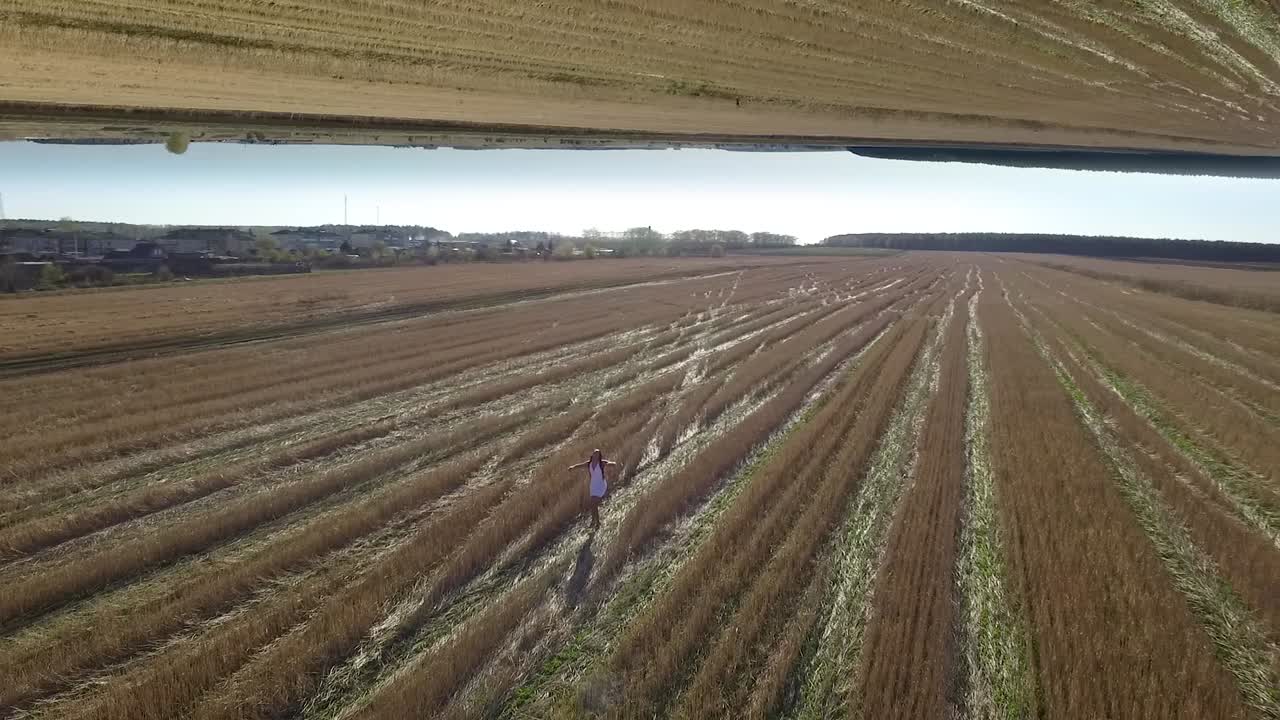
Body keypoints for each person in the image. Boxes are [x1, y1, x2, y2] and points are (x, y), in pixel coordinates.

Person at [569, 449, 617, 529]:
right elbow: (580, 465)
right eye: (595, 453)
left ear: (599, 456)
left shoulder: (601, 463)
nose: (596, 455)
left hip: (601, 484)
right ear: (593, 454)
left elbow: (609, 463)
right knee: (593, 505)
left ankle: (596, 522)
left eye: (598, 454)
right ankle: (595, 521)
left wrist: (612, 463)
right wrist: (573, 467)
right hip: (593, 485)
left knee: (594, 504)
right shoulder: (589, 463)